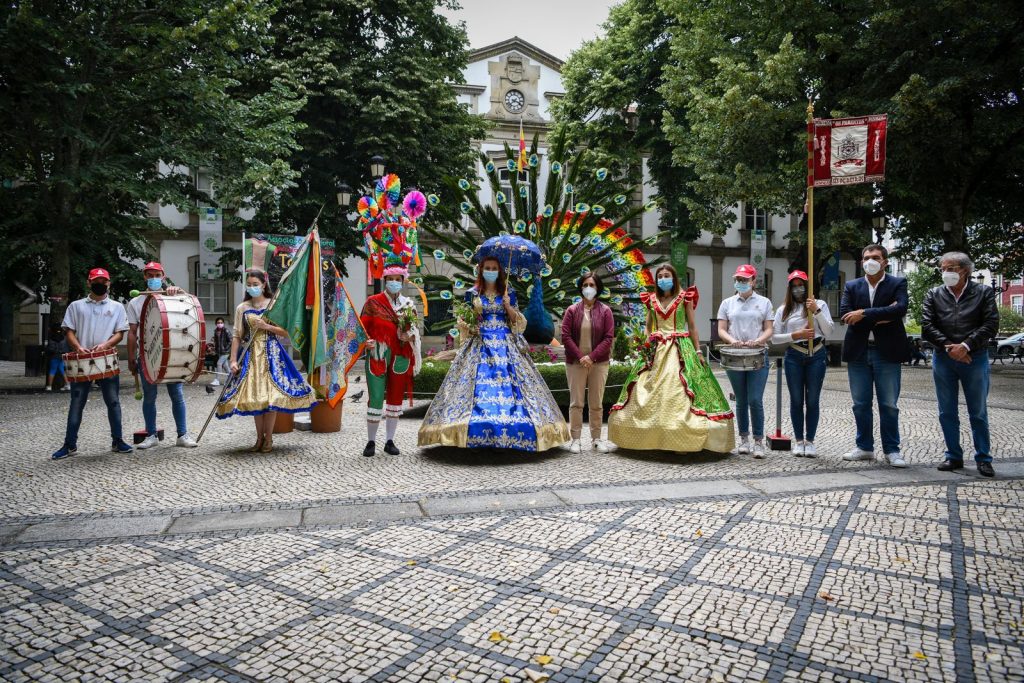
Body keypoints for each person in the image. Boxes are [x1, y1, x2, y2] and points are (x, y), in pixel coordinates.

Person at [418, 257, 570, 452]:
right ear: (481, 270)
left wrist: (507, 306)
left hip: (506, 345)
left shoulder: (508, 293)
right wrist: (471, 323)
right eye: (487, 268)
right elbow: (464, 320)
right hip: (479, 343)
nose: (491, 271)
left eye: (494, 268)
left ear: (500, 271)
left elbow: (517, 323)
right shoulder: (472, 293)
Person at [608, 265, 734, 453]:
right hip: (656, 348)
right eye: (660, 276)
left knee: (678, 390)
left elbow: (692, 327)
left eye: (667, 275)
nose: (663, 279)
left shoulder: (685, 298)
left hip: (680, 347)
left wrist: (698, 351)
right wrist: (646, 346)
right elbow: (648, 327)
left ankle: (680, 437)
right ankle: (649, 436)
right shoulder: (651, 300)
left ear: (674, 278)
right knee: (647, 389)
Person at [216, 268, 316, 452]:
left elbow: (286, 331)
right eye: (250, 284)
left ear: (264, 285)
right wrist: (232, 360)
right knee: (256, 397)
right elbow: (237, 336)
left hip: (272, 354)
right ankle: (258, 438)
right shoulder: (242, 308)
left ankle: (269, 437)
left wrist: (266, 327)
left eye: (256, 284)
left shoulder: (273, 305)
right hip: (251, 354)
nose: (253, 287)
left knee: (270, 398)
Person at [923, 252, 1000, 477]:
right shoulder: (934, 293)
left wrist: (965, 346)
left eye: (951, 268)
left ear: (965, 270)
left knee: (978, 411)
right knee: (946, 410)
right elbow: (927, 325)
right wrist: (950, 347)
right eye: (942, 269)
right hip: (944, 357)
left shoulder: (983, 292)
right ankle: (953, 456)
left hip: (974, 357)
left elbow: (991, 324)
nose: (946, 273)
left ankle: (983, 458)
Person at [840, 244, 911, 468]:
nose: (870, 261)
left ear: (884, 262)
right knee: (860, 403)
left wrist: (863, 313)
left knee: (889, 404)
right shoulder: (852, 286)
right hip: (858, 351)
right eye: (867, 257)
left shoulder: (897, 282)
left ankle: (892, 450)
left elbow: (900, 309)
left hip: (887, 352)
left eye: (876, 257)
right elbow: (844, 315)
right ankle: (864, 447)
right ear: (862, 262)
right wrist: (882, 314)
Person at [51, 268, 134, 460]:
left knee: (113, 402)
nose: (101, 284)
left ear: (108, 283)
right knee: (76, 403)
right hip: (82, 360)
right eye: (96, 280)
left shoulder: (116, 307)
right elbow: (69, 330)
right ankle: (69, 444)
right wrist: (78, 347)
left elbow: (120, 332)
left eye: (104, 281)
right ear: (89, 283)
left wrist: (105, 345)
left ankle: (117, 440)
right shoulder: (76, 306)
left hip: (106, 360)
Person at [126, 262, 198, 449]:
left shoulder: (173, 296)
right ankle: (151, 435)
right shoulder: (135, 302)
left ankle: (183, 434)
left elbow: (190, 305)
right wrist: (131, 357)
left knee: (177, 394)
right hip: (147, 354)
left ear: (163, 276)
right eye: (149, 275)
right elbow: (132, 332)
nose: (153, 278)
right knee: (149, 396)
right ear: (144, 277)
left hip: (172, 352)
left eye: (157, 275)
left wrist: (180, 290)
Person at [360, 263, 422, 457]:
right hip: (378, 353)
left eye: (398, 279)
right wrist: (366, 342)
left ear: (403, 281)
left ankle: (390, 441)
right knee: (376, 396)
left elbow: (415, 332)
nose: (394, 283)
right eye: (390, 279)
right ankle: (371, 442)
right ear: (384, 280)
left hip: (401, 356)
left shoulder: (408, 305)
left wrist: (410, 337)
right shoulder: (372, 302)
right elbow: (361, 329)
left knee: (395, 397)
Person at [771, 270, 834, 457]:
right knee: (797, 399)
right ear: (790, 288)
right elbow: (773, 338)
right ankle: (799, 440)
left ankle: (810, 440)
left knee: (813, 400)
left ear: (808, 286)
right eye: (794, 285)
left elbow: (829, 331)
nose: (798, 288)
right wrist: (796, 334)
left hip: (817, 354)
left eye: (801, 285)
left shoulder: (819, 304)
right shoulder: (784, 310)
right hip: (795, 356)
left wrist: (816, 311)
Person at [717, 264, 774, 458]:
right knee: (741, 399)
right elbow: (722, 329)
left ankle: (758, 440)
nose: (740, 283)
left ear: (753, 281)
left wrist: (759, 340)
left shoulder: (764, 302)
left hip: (757, 353)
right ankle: (744, 439)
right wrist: (733, 341)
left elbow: (768, 328)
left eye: (744, 280)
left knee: (755, 399)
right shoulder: (728, 303)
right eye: (738, 280)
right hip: (735, 354)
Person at [561, 271, 615, 453]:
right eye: (585, 285)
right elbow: (566, 336)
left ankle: (597, 439)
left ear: (598, 288)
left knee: (596, 402)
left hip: (598, 364)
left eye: (592, 285)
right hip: (575, 363)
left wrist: (592, 357)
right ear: (580, 288)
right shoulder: (571, 311)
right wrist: (581, 356)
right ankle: (575, 439)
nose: (588, 289)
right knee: (576, 402)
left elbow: (608, 338)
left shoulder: (606, 311)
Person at [44, 323, 70, 391]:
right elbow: (66, 348)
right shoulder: (64, 338)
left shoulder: (51, 338)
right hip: (62, 356)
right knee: (62, 370)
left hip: (54, 356)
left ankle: (49, 386)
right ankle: (67, 384)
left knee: (52, 370)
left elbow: (50, 349)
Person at [210, 316, 232, 386]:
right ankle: (232, 380)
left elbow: (231, 340)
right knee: (226, 366)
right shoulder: (216, 331)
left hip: (225, 352)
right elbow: (216, 342)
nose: (220, 324)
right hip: (219, 352)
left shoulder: (226, 331)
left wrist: (226, 348)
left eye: (221, 322)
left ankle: (217, 380)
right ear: (216, 324)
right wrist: (215, 349)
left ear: (223, 323)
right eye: (218, 322)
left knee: (219, 363)